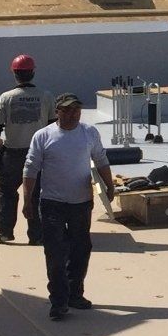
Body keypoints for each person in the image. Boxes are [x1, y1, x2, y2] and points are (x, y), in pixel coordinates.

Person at [21, 95, 117, 320]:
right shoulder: (43, 136)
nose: (72, 114)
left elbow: (101, 159)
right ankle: (58, 301)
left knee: (80, 250)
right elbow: (30, 169)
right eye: (66, 110)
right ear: (57, 112)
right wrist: (27, 201)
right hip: (52, 203)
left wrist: (110, 185)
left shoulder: (89, 133)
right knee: (55, 252)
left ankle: (75, 293)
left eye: (76, 109)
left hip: (81, 203)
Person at [0, 53, 53, 244]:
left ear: (14, 74)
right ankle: (37, 235)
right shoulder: (46, 96)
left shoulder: (6, 98)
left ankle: (5, 232)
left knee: (6, 190)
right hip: (39, 154)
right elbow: (53, 125)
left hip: (13, 154)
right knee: (36, 193)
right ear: (32, 73)